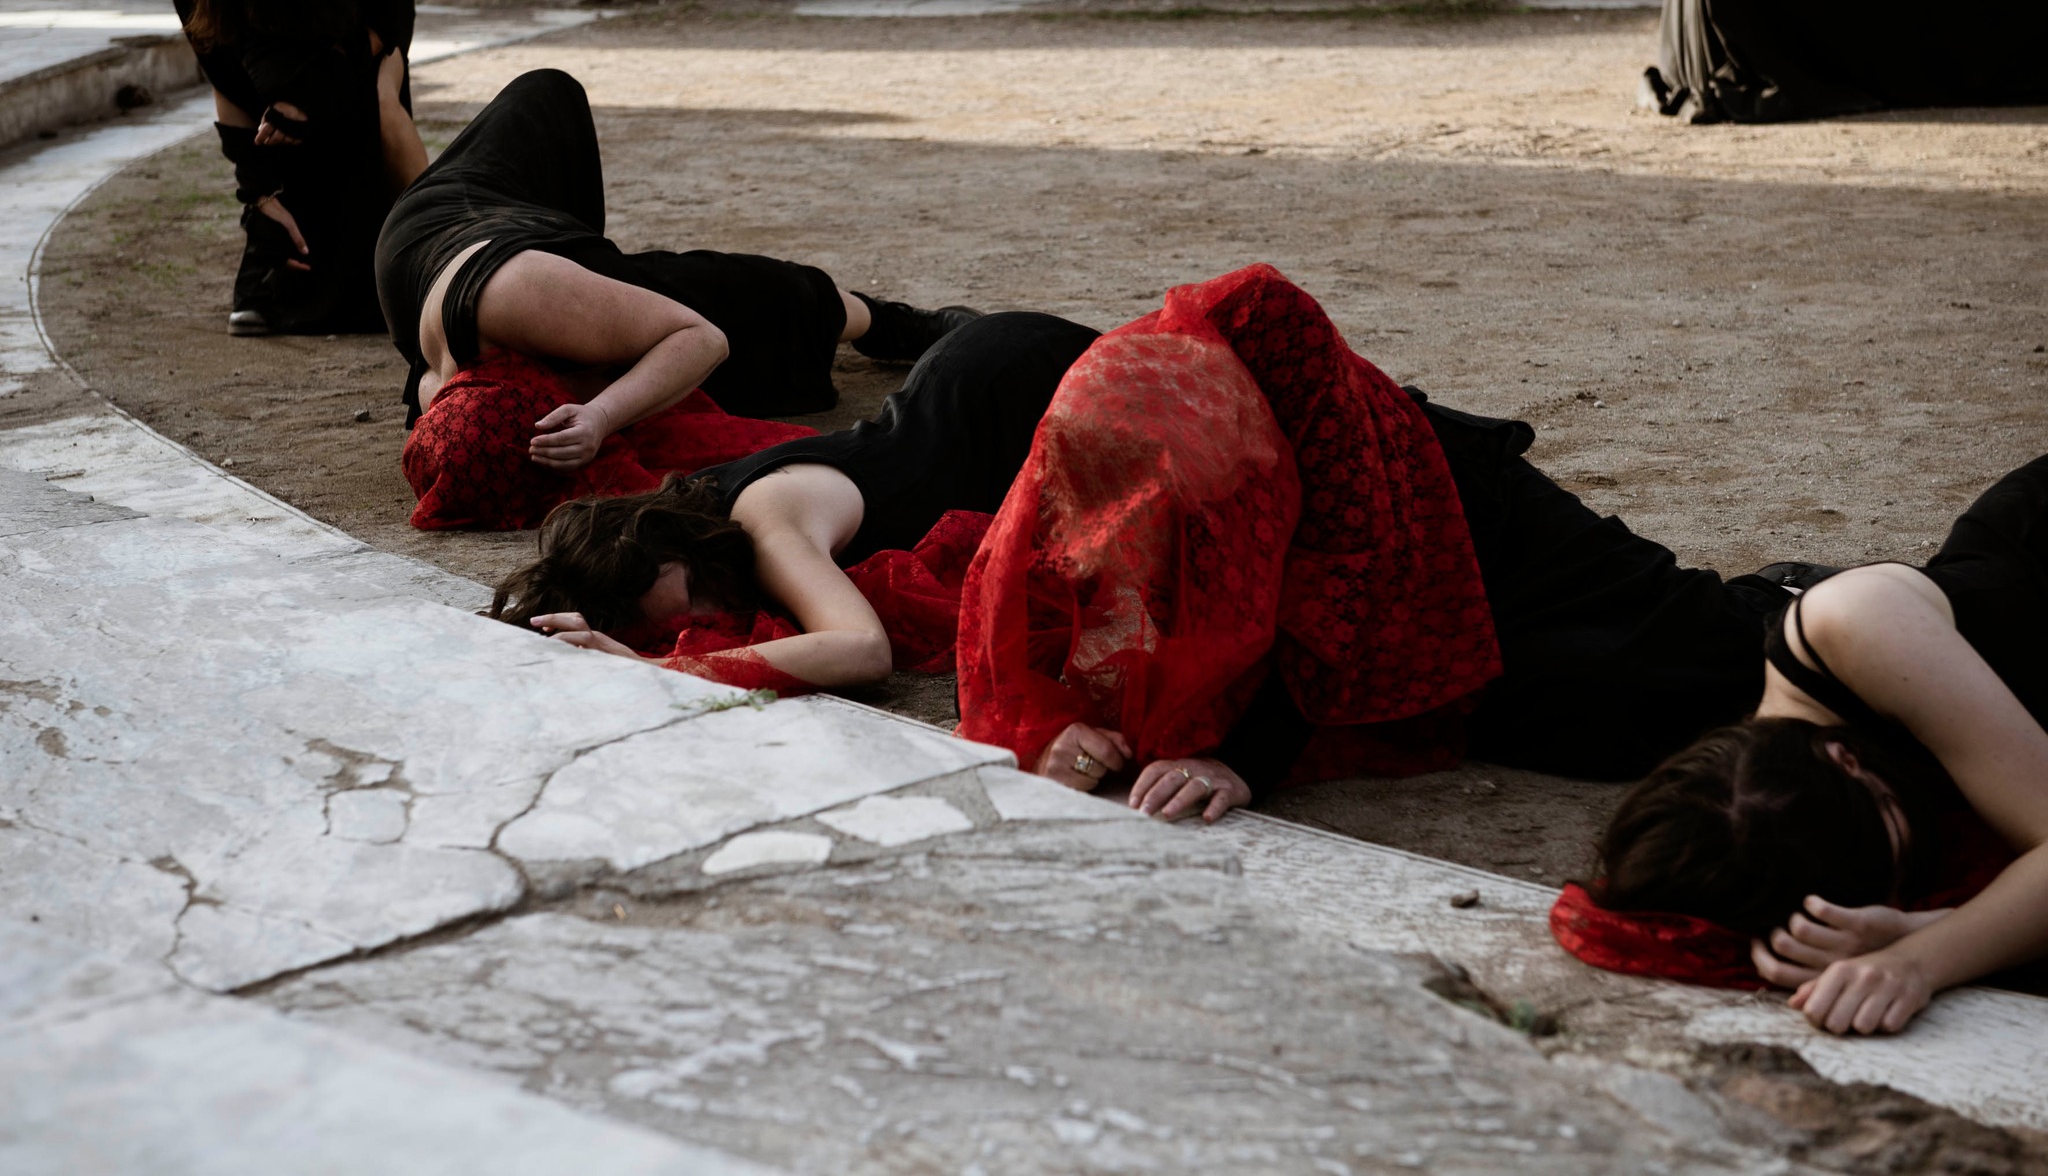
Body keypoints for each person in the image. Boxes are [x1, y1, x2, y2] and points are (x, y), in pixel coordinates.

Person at [506, 265, 1788, 824]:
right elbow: (1060, 613)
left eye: (657, 612)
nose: (676, 631)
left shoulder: (764, 512)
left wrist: (666, 674)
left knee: (1667, 660)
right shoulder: (1074, 508)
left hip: (1056, 398)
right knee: (1556, 713)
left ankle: (1820, 612)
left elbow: (847, 645)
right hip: (1088, 420)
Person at [1585, 457, 2048, 1035]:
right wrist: (1915, 926)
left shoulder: (1852, 623)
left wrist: (1915, 959)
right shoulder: (1773, 806)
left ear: (1845, 758)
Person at [376, 68, 978, 469]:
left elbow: (702, 337)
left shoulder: (524, 294)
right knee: (727, 341)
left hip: (444, 225)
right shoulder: (448, 396)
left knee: (549, 90)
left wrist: (601, 413)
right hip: (440, 291)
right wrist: (603, 416)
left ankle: (886, 321)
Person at [490, 308, 1101, 689]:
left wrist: (651, 670)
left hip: (1023, 391)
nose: (697, 623)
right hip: (963, 388)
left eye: (692, 598)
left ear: (666, 542)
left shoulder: (765, 521)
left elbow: (862, 650)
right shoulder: (701, 524)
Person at [173, 0, 425, 336]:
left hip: (356, 15)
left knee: (376, 102)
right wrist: (258, 191)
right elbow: (229, 87)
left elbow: (387, 13)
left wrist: (314, 94)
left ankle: (436, 240)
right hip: (256, 29)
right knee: (277, 134)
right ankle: (277, 261)